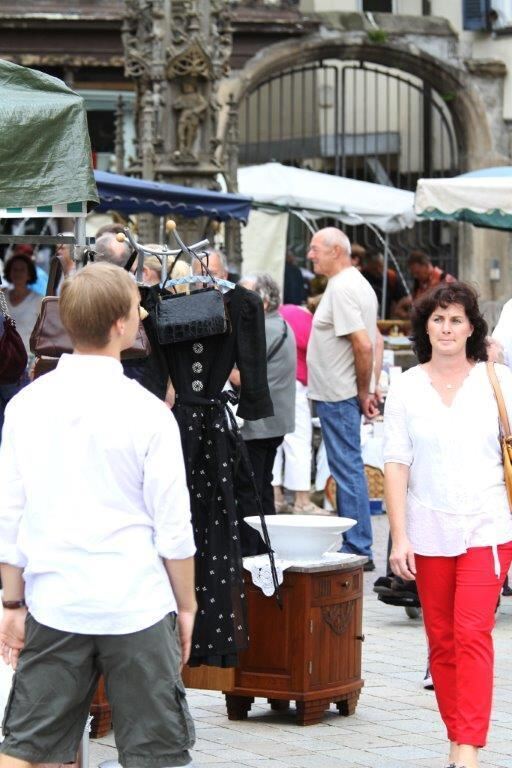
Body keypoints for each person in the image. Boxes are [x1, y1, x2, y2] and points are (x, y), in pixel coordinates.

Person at [0, 262, 197, 768]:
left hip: (56, 597)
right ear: (120, 325)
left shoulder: (26, 405)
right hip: (134, 601)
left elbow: (9, 515)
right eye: (136, 308)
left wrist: (12, 601)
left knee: (27, 749)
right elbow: (174, 528)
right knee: (155, 754)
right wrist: (188, 606)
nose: (141, 315)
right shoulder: (149, 412)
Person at [384, 281, 512, 768]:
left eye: (456, 319)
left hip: (488, 525)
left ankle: (468, 749)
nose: (446, 328)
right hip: (429, 528)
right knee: (441, 640)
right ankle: (457, 736)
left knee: (472, 632)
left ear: (473, 328)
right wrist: (399, 536)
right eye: (438, 319)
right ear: (425, 327)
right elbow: (395, 462)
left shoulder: (496, 380)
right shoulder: (407, 386)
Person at [306, 227, 378, 568]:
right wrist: (369, 387)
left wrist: (364, 391)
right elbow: (373, 340)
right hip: (341, 391)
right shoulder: (352, 284)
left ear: (336, 250)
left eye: (315, 248)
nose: (310, 255)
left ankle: (358, 545)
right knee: (348, 467)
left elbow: (363, 344)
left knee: (347, 469)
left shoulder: (344, 287)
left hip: (339, 393)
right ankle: (357, 542)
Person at [235, 273, 296, 553]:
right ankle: (266, 545)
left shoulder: (264, 330)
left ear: (265, 301)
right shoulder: (279, 324)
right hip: (275, 421)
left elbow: (243, 378)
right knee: (262, 484)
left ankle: (254, 550)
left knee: (251, 489)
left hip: (259, 424)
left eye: (246, 295)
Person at [272, 303, 323, 514]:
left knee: (272, 441)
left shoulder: (280, 312)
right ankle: (302, 500)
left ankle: (275, 496)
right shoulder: (309, 322)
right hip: (295, 384)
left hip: (271, 381)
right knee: (299, 439)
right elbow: (316, 353)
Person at [361, 249, 410, 319]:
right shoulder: (360, 277)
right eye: (374, 268)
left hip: (386, 320)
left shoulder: (390, 277)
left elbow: (405, 298)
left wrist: (399, 308)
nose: (379, 270)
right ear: (367, 267)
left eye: (381, 266)